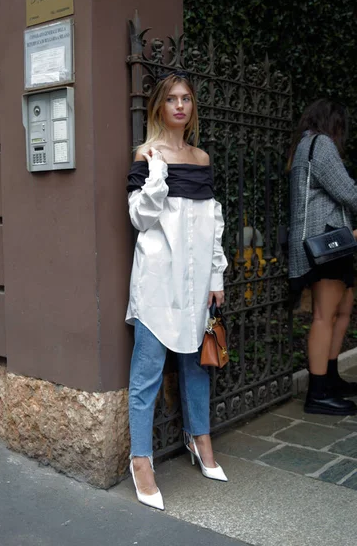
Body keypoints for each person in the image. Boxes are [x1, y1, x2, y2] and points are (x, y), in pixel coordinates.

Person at [125, 71, 228, 510]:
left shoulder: (202, 159)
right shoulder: (147, 155)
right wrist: (158, 172)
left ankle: (199, 437)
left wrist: (216, 276)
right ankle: (140, 460)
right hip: (156, 281)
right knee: (146, 375)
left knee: (195, 367)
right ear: (159, 108)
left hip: (194, 283)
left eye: (186, 99)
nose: (180, 106)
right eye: (172, 99)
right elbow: (139, 218)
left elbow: (212, 223)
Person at [288, 99, 357, 416]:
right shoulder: (321, 144)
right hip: (325, 243)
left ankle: (329, 379)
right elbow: (348, 192)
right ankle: (317, 393)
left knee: (342, 309)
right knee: (324, 315)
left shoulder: (306, 145)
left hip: (330, 242)